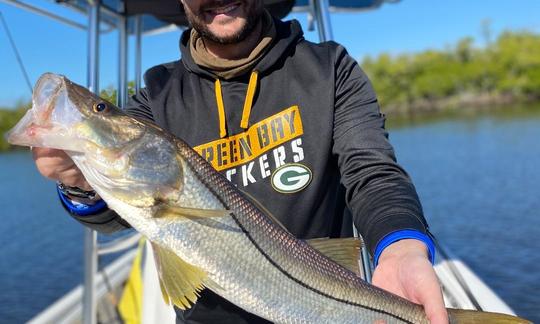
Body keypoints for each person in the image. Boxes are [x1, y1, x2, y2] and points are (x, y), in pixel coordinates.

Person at [33, 0, 448, 322]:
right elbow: (120, 212)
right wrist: (79, 183)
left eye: (103, 110)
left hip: (332, 306)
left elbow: (372, 173)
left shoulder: (330, 68)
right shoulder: (155, 99)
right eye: (103, 111)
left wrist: (402, 249)